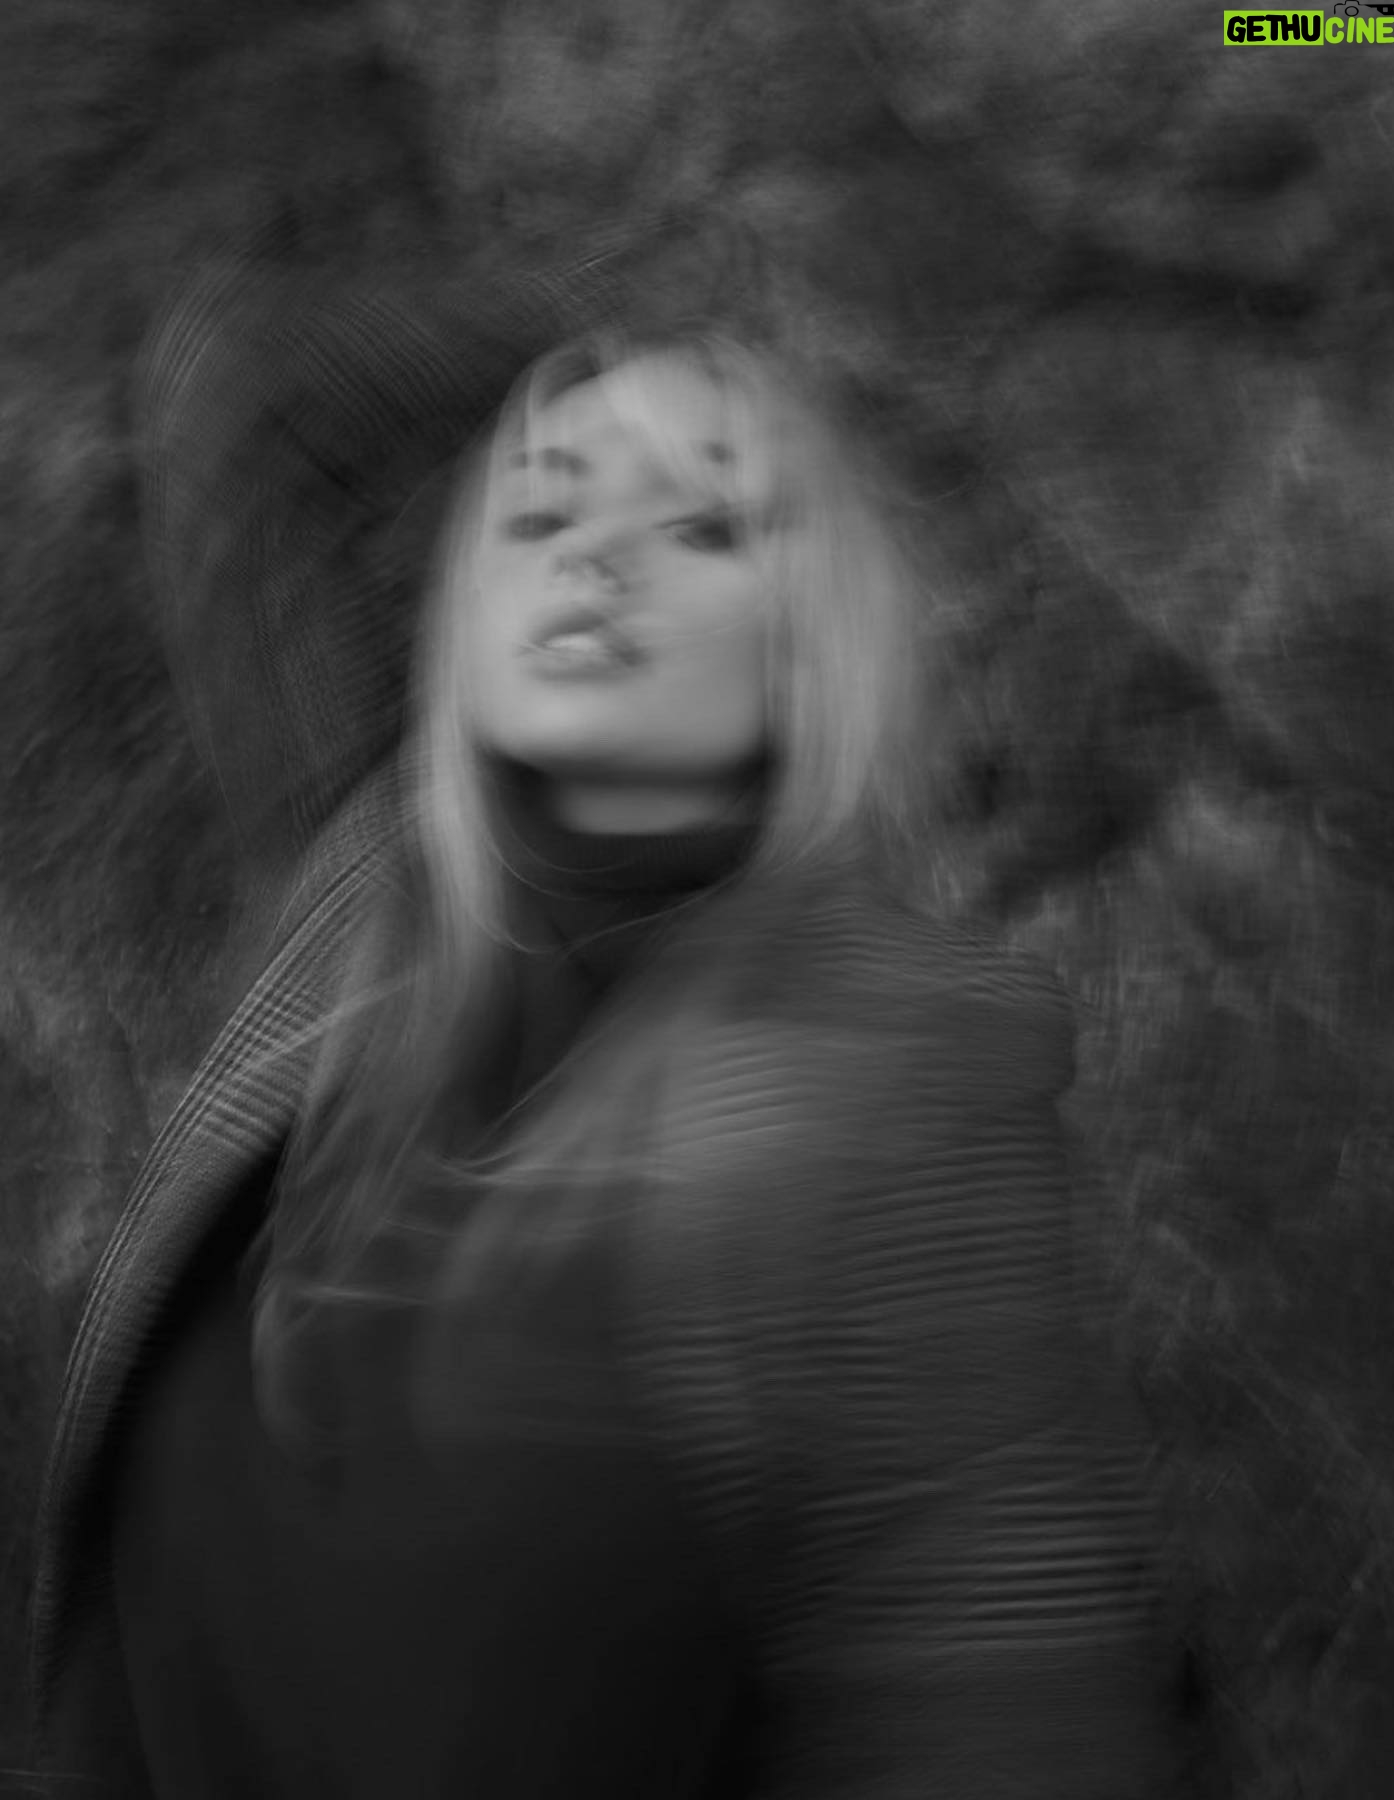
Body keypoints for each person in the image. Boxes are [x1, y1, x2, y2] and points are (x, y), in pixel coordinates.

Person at [29, 259, 1177, 1798]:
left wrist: (708, 385)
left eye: (701, 525)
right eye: (541, 510)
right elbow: (259, 400)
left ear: (810, 644)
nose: (597, 552)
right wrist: (637, 339)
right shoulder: (362, 881)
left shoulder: (907, 1071)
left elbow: (1001, 1717)